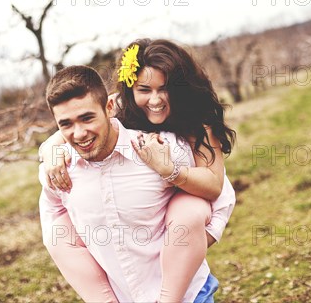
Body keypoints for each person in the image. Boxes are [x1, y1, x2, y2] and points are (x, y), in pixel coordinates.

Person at [41, 39, 236, 301]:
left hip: (186, 271)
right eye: (145, 89)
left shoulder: (195, 127)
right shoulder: (118, 107)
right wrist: (52, 151)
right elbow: (74, 121)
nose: (154, 100)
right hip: (129, 283)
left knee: (190, 208)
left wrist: (170, 172)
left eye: (164, 89)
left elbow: (216, 188)